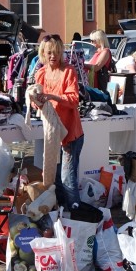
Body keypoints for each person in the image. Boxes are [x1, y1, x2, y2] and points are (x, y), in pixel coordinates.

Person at [30, 35, 84, 209]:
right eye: (50, 53)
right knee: (55, 178)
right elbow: (35, 104)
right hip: (53, 133)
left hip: (70, 133)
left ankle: (75, 214)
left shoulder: (68, 71)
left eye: (57, 52)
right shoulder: (41, 73)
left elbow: (74, 100)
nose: (53, 56)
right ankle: (62, 211)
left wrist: (52, 96)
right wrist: (35, 100)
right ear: (43, 53)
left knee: (68, 177)